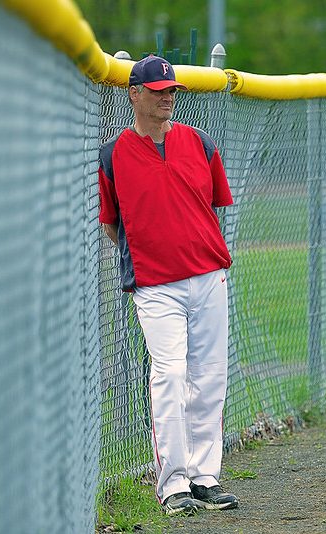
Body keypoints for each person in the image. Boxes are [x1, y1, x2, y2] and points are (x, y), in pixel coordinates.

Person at [98, 54, 238, 516]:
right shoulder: (113, 154)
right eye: (157, 93)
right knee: (171, 375)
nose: (166, 100)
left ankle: (204, 477)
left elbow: (215, 203)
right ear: (134, 94)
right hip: (155, 285)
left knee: (210, 378)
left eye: (172, 92)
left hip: (207, 275)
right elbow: (113, 223)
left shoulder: (199, 142)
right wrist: (152, 249)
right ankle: (173, 483)